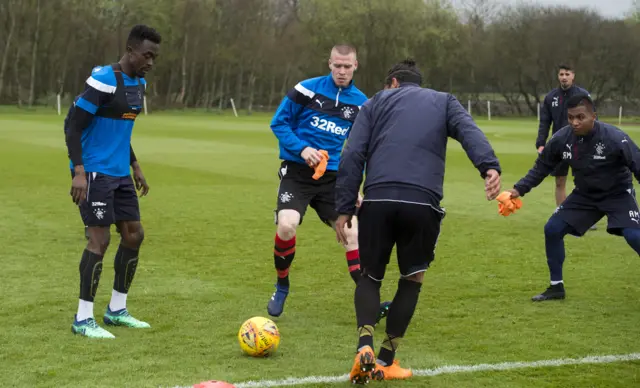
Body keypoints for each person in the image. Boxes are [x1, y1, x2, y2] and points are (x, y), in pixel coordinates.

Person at [335, 59, 502, 383]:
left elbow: (353, 153)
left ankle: (364, 346)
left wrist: (344, 207)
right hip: (421, 202)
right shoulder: (443, 101)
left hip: (379, 199)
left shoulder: (374, 102)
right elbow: (469, 132)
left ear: (393, 83)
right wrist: (489, 167)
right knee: (412, 279)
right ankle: (387, 358)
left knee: (370, 277)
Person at [267, 44, 391, 321]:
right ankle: (282, 284)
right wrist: (301, 148)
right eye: (337, 65)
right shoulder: (306, 90)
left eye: (347, 66)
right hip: (298, 173)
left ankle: (369, 300)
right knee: (286, 226)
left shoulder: (362, 104)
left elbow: (364, 148)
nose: (342, 71)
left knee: (352, 234)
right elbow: (279, 123)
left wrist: (359, 186)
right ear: (329, 64)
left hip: (333, 179)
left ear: (356, 66)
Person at [64, 24, 160, 338]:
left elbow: (121, 130)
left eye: (154, 57)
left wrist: (135, 165)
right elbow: (73, 127)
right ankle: (83, 319)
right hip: (93, 171)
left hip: (119, 172)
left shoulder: (139, 83)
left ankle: (116, 310)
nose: (151, 62)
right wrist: (79, 171)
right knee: (99, 240)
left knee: (134, 235)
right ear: (131, 50)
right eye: (147, 55)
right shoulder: (104, 79)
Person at [506, 93, 640, 302]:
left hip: (617, 194)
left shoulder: (615, 138)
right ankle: (556, 287)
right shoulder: (562, 139)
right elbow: (542, 167)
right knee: (552, 229)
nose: (575, 122)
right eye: (570, 117)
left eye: (580, 117)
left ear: (593, 116)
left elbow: (637, 165)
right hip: (585, 196)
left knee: (634, 236)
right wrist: (518, 189)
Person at [536, 65, 594, 231]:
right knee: (560, 181)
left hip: (581, 144)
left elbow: (592, 119)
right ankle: (564, 217)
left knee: (586, 180)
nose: (564, 77)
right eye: (561, 74)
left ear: (573, 76)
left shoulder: (583, 95)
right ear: (558, 76)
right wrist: (541, 143)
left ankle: (586, 218)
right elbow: (544, 122)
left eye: (567, 74)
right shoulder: (551, 97)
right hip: (559, 146)